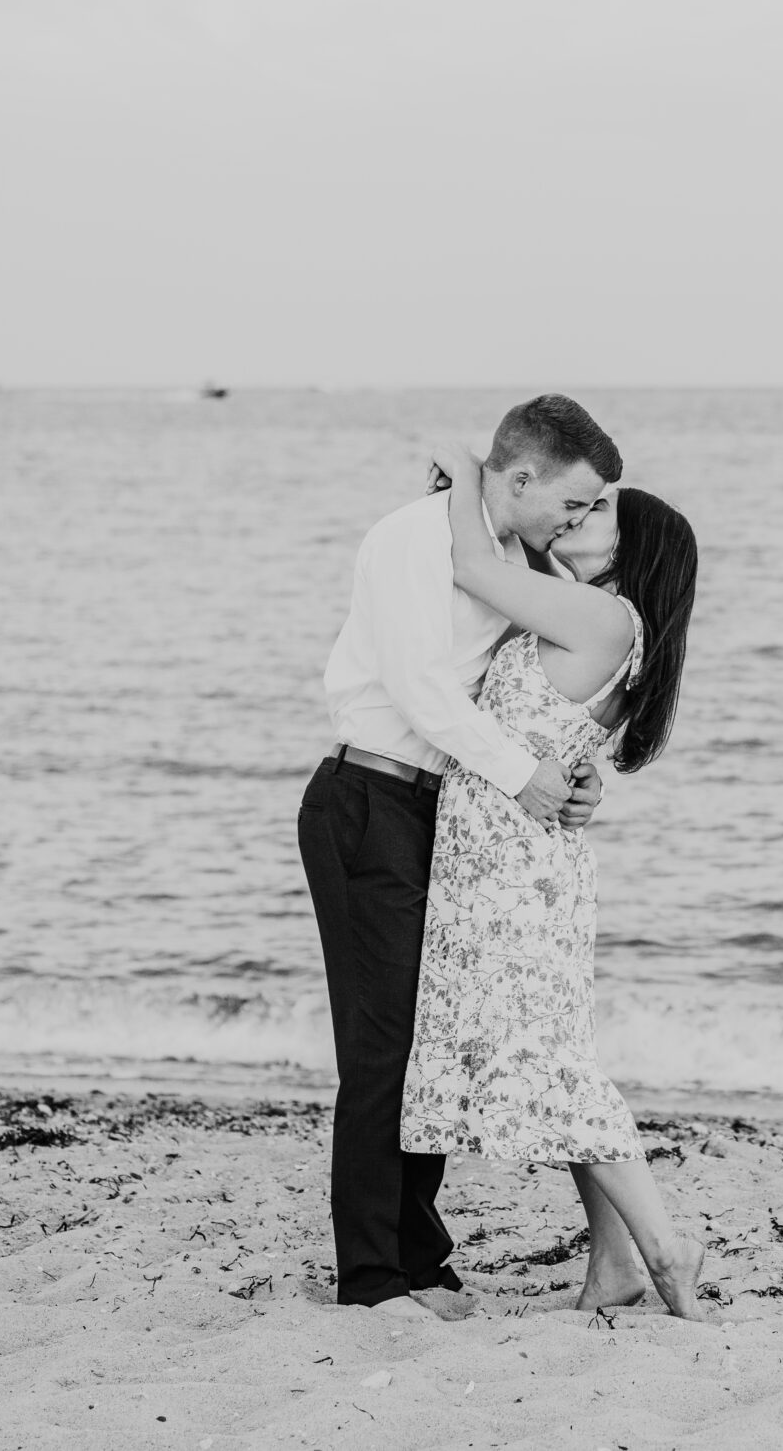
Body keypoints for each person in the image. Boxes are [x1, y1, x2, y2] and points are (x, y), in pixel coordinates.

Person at [298, 394, 619, 1319]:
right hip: (369, 797)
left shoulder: (517, 557)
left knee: (429, 1042)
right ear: (520, 477)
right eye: (573, 499)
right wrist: (525, 776)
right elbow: (418, 685)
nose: (580, 518)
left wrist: (571, 776)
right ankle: (370, 1279)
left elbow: (525, 692)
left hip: (440, 806)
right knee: (381, 1049)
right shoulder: (413, 535)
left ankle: (420, 1260)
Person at [400, 440, 709, 1319]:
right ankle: (614, 1264)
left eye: (599, 512)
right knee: (557, 1057)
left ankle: (664, 1245)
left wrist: (471, 472)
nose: (576, 515)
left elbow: (468, 560)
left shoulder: (603, 621)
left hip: (512, 869)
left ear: (632, 549)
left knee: (554, 1067)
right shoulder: (601, 617)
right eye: (575, 504)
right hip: (518, 860)